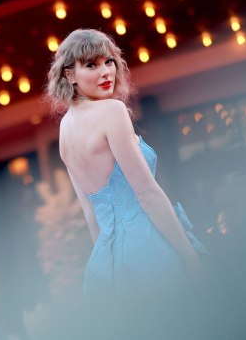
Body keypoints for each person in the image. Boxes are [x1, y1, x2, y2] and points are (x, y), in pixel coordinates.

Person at [45, 28, 206, 298]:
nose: (106, 71)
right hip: (149, 244)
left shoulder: (64, 130)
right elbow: (147, 192)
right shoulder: (112, 111)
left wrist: (109, 273)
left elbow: (91, 215)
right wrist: (189, 257)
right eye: (91, 65)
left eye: (109, 61)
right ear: (69, 74)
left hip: (109, 259)